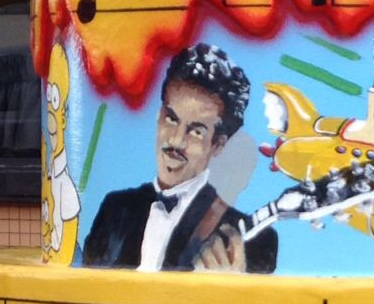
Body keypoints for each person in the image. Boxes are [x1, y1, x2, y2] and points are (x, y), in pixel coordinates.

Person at [81, 42, 277, 273]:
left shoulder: (250, 243)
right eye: (171, 119)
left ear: (218, 145)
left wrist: (231, 293)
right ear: (158, 115)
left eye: (196, 131)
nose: (175, 141)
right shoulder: (114, 209)